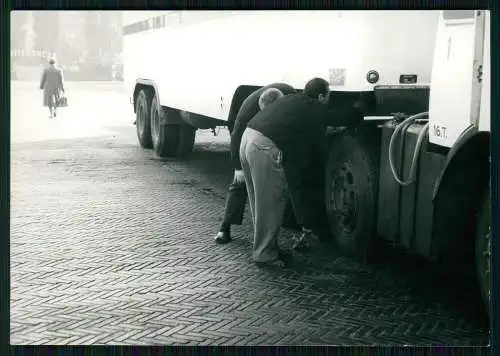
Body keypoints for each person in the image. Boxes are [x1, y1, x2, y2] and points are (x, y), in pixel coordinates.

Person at [241, 77, 364, 267]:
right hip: (263, 146)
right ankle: (264, 254)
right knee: (271, 203)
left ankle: (268, 247)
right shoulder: (315, 108)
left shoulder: (293, 100)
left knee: (260, 202)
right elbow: (336, 120)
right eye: (328, 95)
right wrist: (358, 110)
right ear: (322, 96)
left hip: (248, 137)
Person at [214, 83, 296, 244]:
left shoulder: (287, 102)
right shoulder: (247, 110)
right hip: (246, 134)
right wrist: (238, 167)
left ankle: (288, 223)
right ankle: (225, 228)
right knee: (239, 183)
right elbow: (236, 135)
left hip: (268, 134)